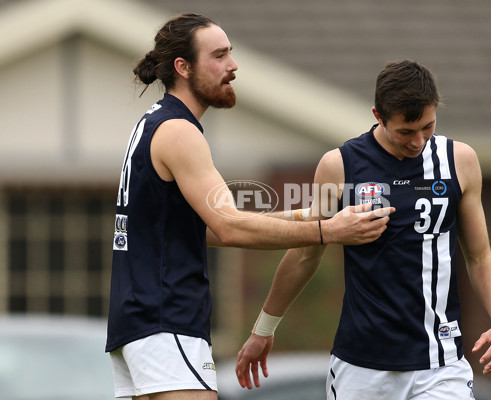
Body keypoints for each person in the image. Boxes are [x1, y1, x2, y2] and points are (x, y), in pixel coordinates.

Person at [105, 13, 393, 400]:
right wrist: (329, 231)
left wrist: (303, 216)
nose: (233, 65)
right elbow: (230, 227)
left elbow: (201, 227)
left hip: (139, 325)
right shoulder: (179, 132)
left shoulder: (153, 123)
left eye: (231, 54)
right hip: (165, 322)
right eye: (220, 56)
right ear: (183, 68)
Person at [235, 60, 491, 399]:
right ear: (378, 116)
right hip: (362, 366)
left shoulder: (460, 161)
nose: (418, 141)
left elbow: (480, 257)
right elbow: (305, 254)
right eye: (405, 132)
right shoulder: (339, 166)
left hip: (440, 365)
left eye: (427, 127)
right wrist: (264, 330)